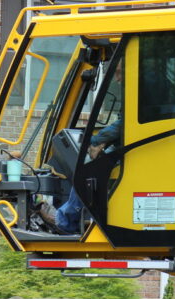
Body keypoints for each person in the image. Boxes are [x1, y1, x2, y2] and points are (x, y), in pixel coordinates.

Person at [39, 60, 123, 235]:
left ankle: (65, 222)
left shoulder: (143, 91)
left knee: (87, 172)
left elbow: (124, 124)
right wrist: (105, 142)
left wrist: (95, 141)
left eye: (120, 72)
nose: (117, 79)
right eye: (115, 73)